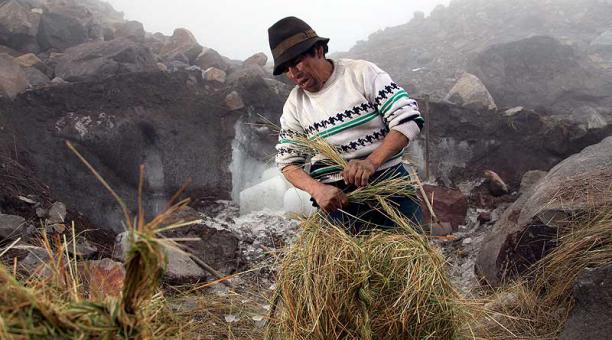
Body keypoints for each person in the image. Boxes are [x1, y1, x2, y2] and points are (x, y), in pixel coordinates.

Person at [269, 16, 424, 234]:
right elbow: (288, 163)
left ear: (319, 51)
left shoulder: (361, 73)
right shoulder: (295, 104)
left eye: (296, 63)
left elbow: (408, 119)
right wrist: (318, 190)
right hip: (338, 203)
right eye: (286, 69)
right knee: (342, 267)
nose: (293, 74)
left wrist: (371, 162)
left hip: (389, 188)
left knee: (408, 261)